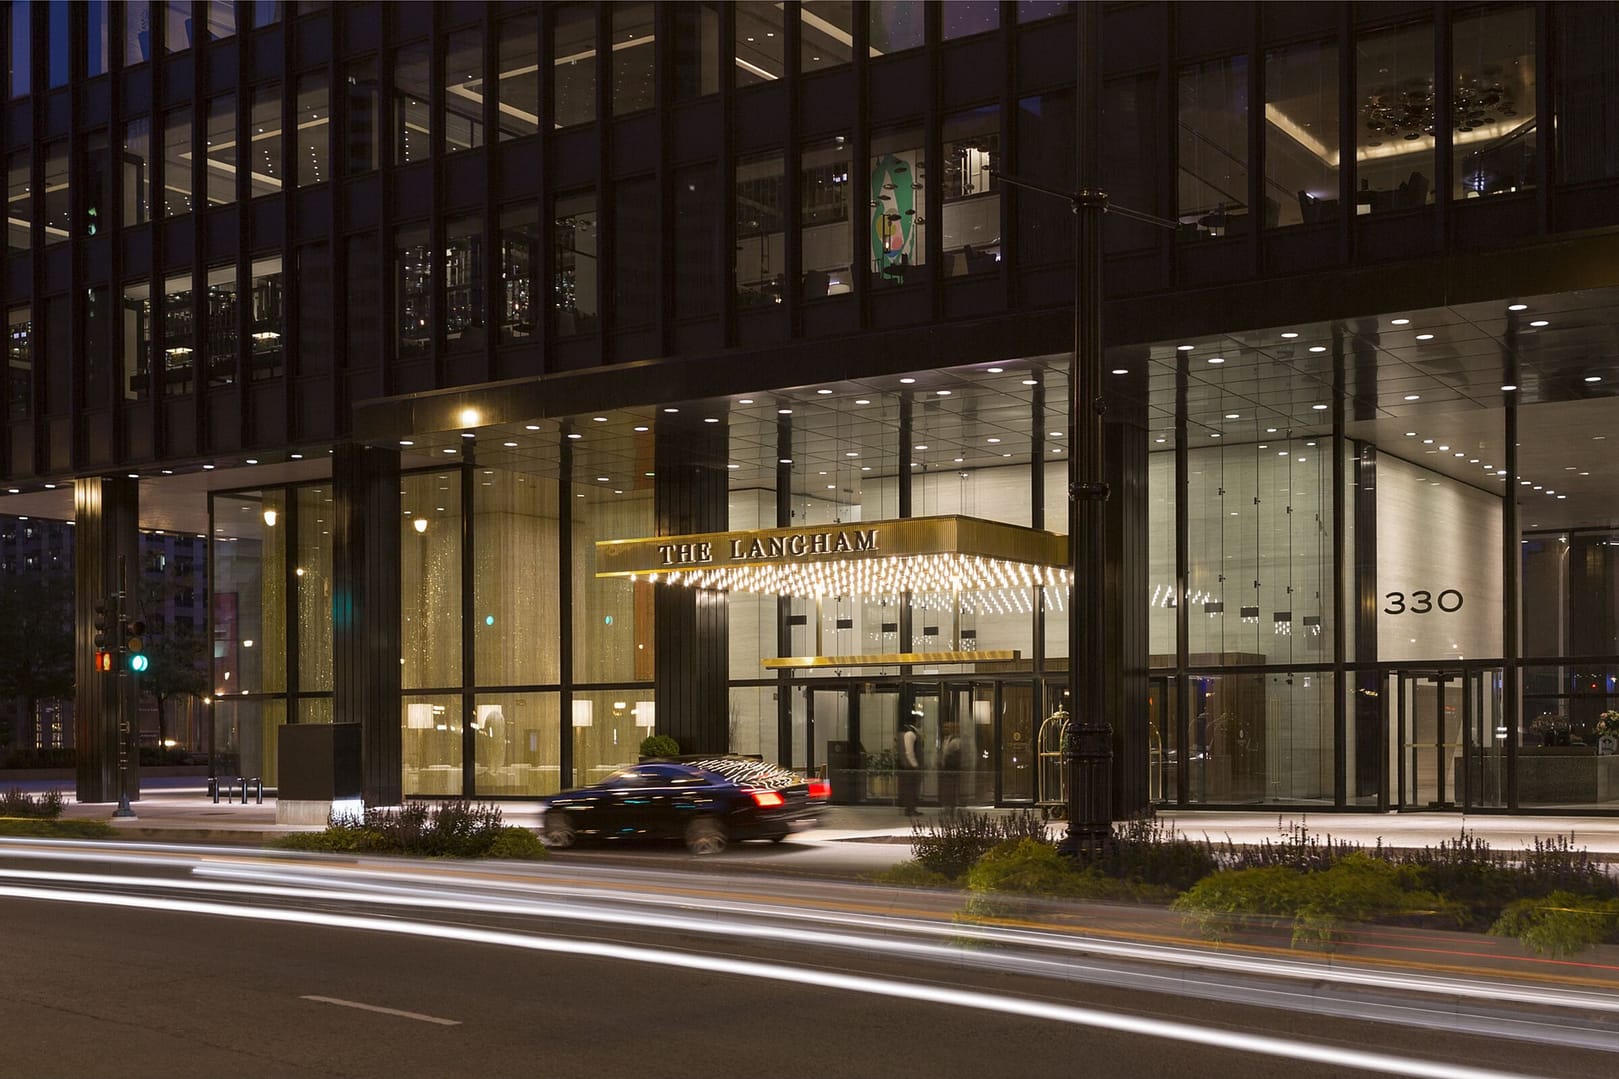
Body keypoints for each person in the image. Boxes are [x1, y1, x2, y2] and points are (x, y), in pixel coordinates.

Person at [897, 710, 923, 816]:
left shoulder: (912, 732)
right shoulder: (910, 733)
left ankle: (911, 808)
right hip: (910, 767)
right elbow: (909, 752)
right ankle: (910, 809)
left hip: (909, 766)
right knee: (911, 788)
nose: (921, 722)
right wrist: (915, 765)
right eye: (919, 719)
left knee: (912, 788)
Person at [939, 720, 963, 811]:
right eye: (944, 727)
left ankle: (952, 806)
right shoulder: (945, 740)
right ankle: (948, 806)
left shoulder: (955, 741)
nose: (944, 729)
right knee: (947, 789)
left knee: (951, 789)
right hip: (946, 768)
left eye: (947, 727)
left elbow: (956, 754)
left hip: (951, 768)